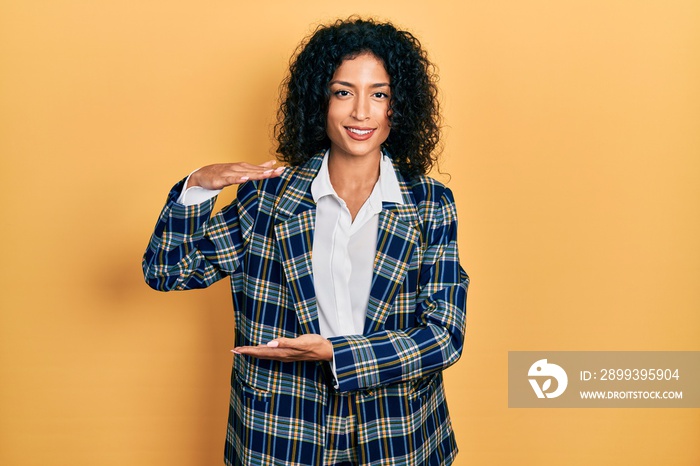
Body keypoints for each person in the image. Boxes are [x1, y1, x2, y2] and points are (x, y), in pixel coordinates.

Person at [143, 17, 468, 466]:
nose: (360, 112)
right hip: (280, 428)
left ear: (400, 105)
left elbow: (444, 336)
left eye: (379, 94)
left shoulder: (431, 204)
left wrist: (337, 352)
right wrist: (198, 188)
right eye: (343, 92)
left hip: (398, 434)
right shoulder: (268, 199)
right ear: (321, 101)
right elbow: (167, 271)